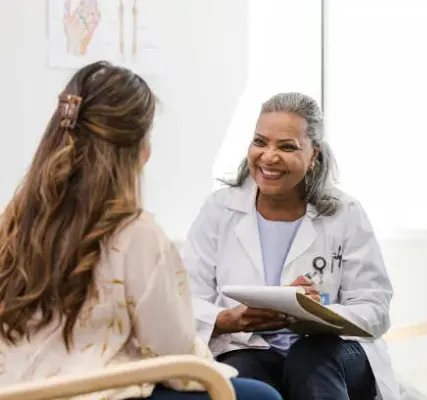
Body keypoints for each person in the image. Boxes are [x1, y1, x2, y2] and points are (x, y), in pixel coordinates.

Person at [0, 61, 281, 400]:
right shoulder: (137, 234)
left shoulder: (14, 220)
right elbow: (174, 354)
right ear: (140, 149)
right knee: (260, 396)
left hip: (16, 391)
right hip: (91, 393)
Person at [183, 92, 401, 400]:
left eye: (287, 147)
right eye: (260, 142)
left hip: (331, 352)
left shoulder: (345, 213)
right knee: (245, 379)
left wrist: (318, 314)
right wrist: (227, 320)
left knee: (309, 362)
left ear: (313, 156)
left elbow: (375, 309)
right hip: (248, 346)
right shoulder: (220, 209)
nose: (269, 156)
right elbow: (186, 300)